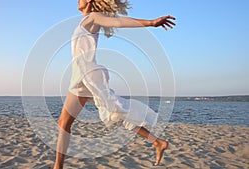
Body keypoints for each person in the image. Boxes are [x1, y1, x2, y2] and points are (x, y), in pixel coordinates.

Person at [54, 0, 176, 168]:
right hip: (82, 74)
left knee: (65, 123)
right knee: (113, 112)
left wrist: (152, 23)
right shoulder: (86, 20)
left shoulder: (93, 17)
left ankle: (57, 167)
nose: (77, 0)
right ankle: (157, 142)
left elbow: (120, 22)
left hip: (85, 75)